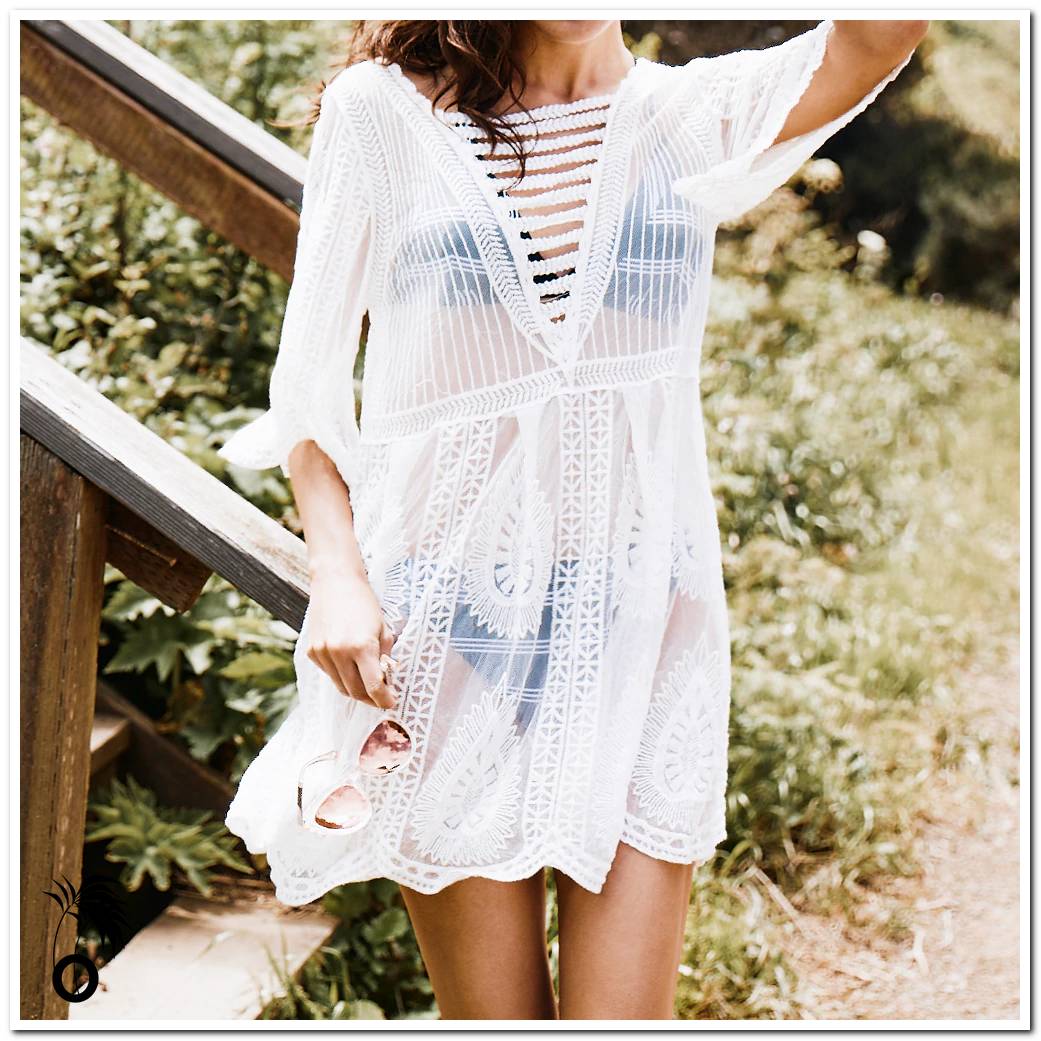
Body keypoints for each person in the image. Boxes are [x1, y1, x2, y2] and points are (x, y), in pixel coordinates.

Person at [216, 18, 928, 1020]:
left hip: (644, 637)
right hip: (450, 641)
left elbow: (880, 33)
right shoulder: (380, 113)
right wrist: (336, 574)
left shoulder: (689, 116)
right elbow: (309, 398)